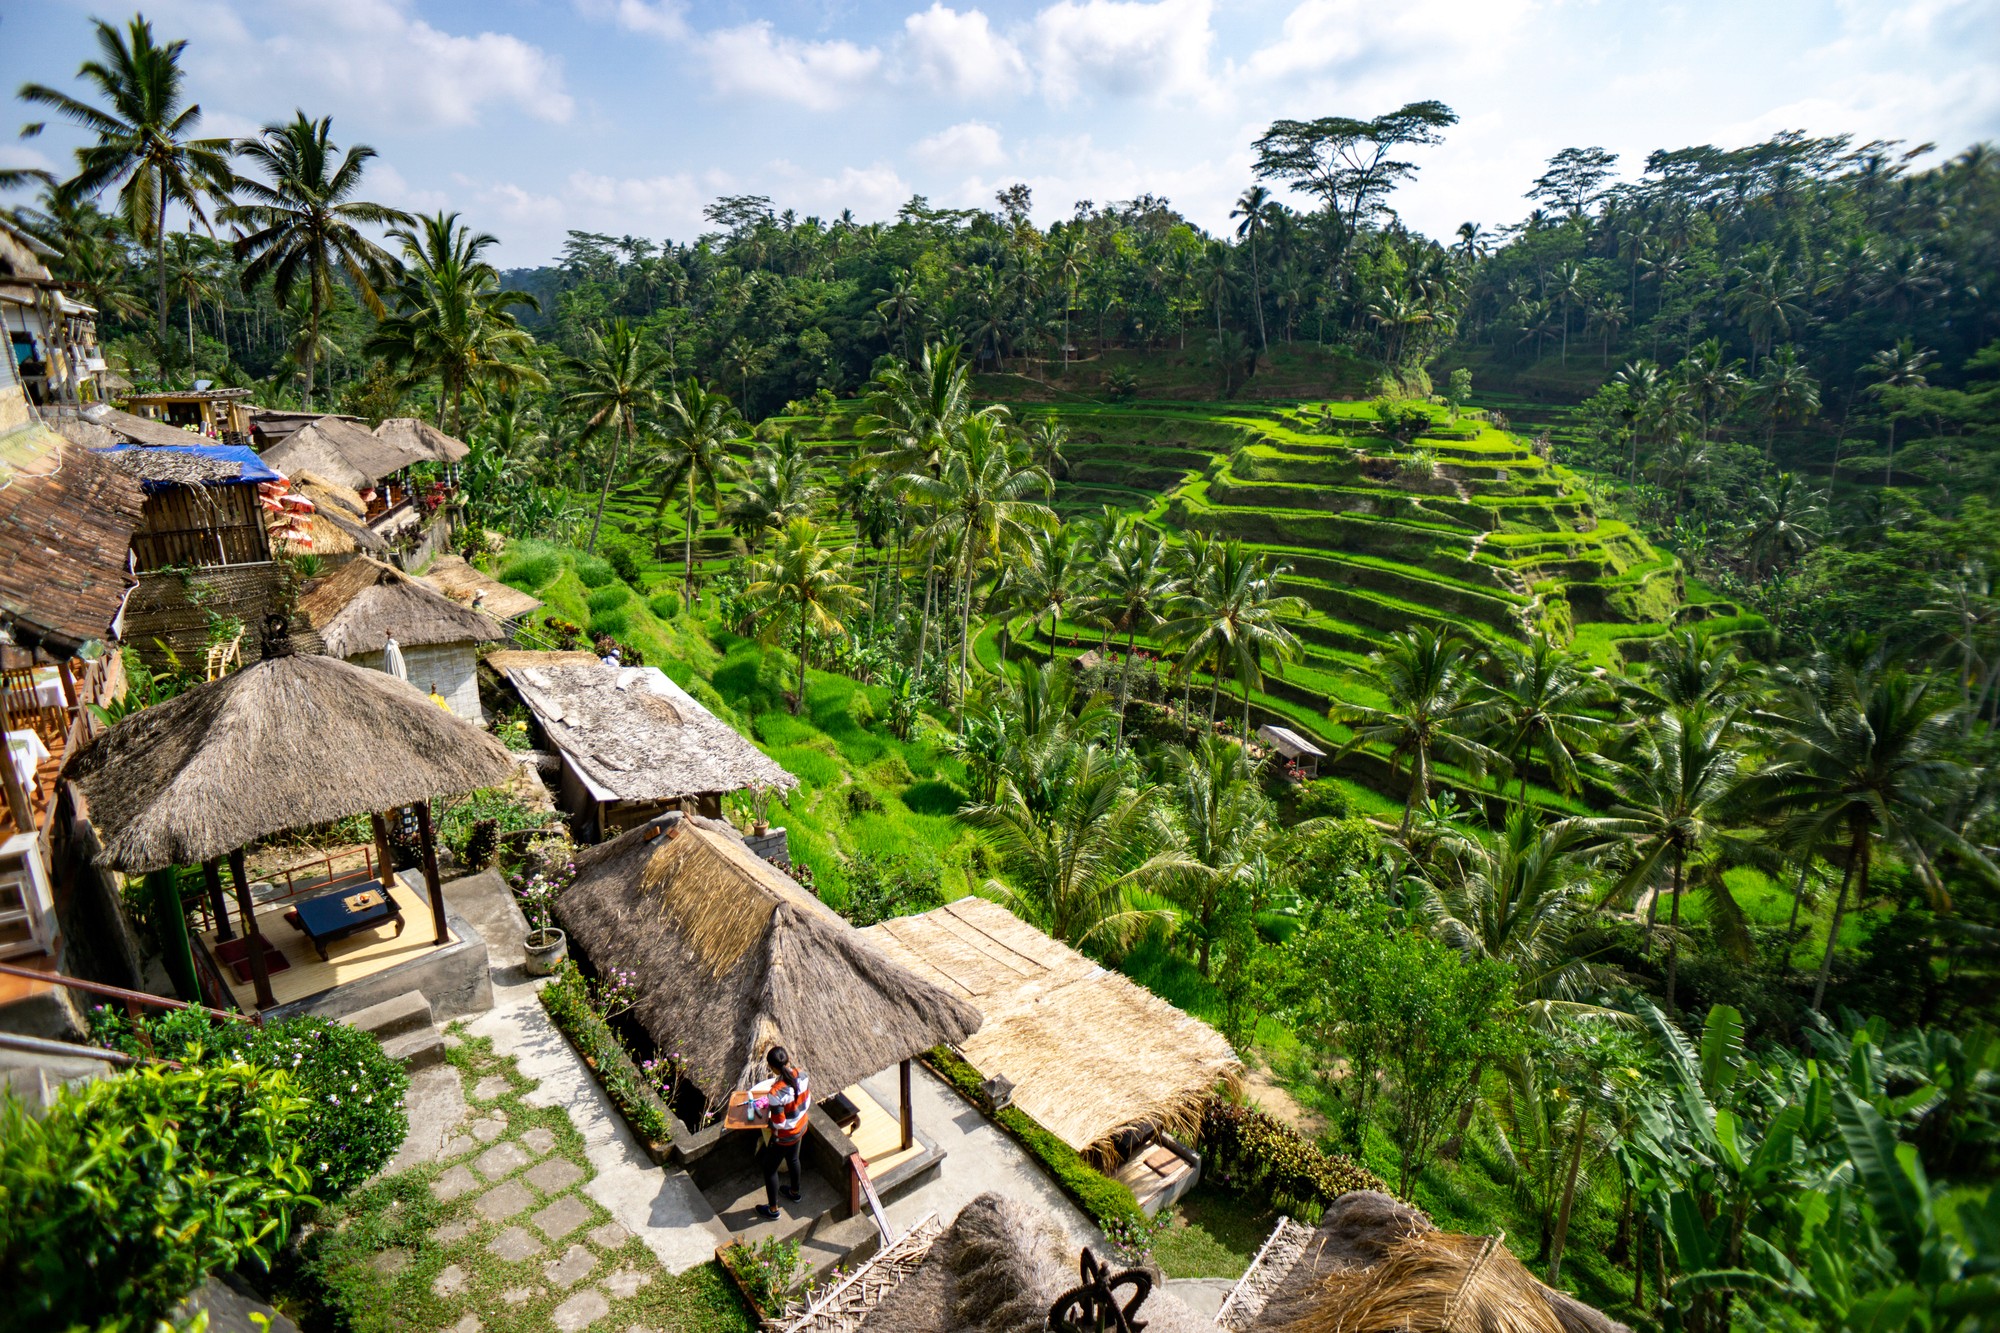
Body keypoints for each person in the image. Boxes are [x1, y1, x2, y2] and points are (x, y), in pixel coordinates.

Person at [753, 1045, 811, 1220]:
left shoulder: (775, 1092)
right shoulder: (802, 1074)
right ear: (788, 1060)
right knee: (793, 1159)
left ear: (772, 1067)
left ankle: (772, 1210)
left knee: (769, 1168)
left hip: (785, 1135)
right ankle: (794, 1192)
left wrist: (767, 1120)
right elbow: (805, 1102)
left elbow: (779, 1123)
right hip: (801, 1126)